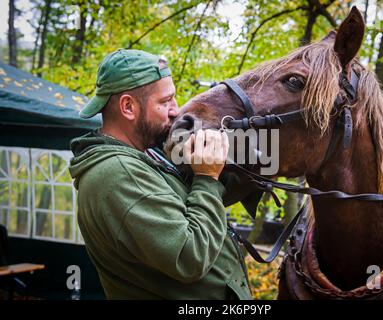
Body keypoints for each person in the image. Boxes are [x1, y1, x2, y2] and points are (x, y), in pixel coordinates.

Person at [69, 49, 252, 299]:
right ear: (128, 107)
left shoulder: (145, 155)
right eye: (165, 101)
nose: (176, 111)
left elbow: (192, 204)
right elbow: (189, 257)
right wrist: (207, 178)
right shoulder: (118, 173)